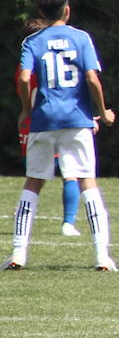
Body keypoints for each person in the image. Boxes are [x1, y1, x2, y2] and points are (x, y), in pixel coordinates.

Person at [5, 0, 117, 271]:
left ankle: (18, 253)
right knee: (86, 182)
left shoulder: (33, 41)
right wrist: (102, 112)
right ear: (67, 10)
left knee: (33, 182)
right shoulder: (81, 38)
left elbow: (23, 78)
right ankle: (101, 256)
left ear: (40, 11)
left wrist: (26, 111)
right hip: (76, 120)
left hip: (43, 120)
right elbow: (92, 78)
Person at [15, 17, 81, 236]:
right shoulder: (51, 61)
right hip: (62, 119)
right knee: (71, 173)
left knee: (34, 178)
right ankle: (68, 223)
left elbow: (24, 85)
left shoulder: (23, 67)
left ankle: (22, 224)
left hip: (33, 123)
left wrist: (25, 110)